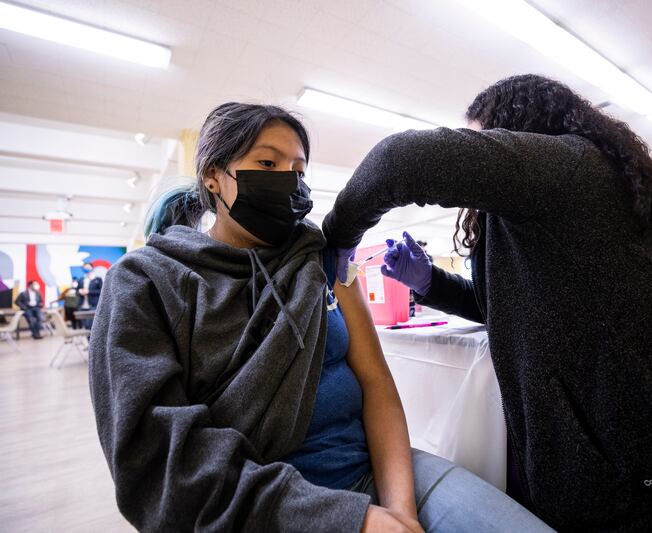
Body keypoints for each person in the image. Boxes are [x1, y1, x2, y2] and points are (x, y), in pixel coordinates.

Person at [322, 75, 652, 532]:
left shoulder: (572, 167)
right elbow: (506, 312)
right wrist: (430, 282)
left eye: (484, 139)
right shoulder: (535, 217)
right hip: (643, 450)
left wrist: (337, 235)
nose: (483, 157)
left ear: (519, 130)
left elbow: (401, 159)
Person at [88, 102, 552, 532]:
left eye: (298, 169)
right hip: (258, 511)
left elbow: (377, 384)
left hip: (373, 474)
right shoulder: (146, 282)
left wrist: (400, 512)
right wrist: (355, 522)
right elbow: (163, 462)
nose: (287, 181)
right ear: (213, 175)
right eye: (268, 164)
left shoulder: (322, 260)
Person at [78, 263, 102, 329]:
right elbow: (77, 290)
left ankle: (91, 339)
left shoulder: (97, 279)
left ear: (92, 267)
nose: (86, 269)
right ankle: (88, 338)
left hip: (93, 305)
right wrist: (79, 291)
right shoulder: (81, 279)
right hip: (82, 306)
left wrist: (89, 292)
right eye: (84, 268)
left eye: (88, 267)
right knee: (85, 326)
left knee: (90, 325)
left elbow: (101, 291)